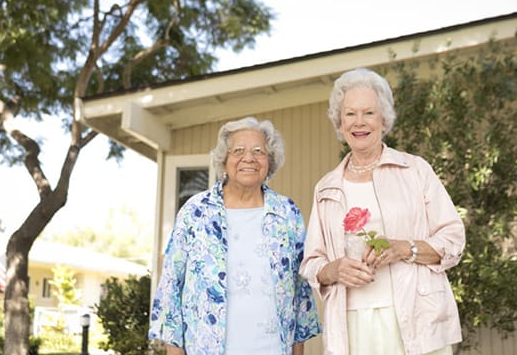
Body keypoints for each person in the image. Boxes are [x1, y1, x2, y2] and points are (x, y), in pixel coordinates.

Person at [299, 68, 465, 355]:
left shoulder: (415, 170)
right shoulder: (326, 187)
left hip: (416, 319)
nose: (359, 122)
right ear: (340, 123)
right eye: (350, 114)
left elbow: (452, 240)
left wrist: (403, 248)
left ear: (384, 120)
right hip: (353, 325)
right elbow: (311, 263)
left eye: (369, 113)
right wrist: (334, 269)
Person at [149, 116, 321, 355]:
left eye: (259, 151)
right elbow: (170, 284)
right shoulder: (196, 211)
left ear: (269, 161)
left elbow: (300, 290)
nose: (248, 158)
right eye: (238, 150)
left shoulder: (287, 213)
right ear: (224, 160)